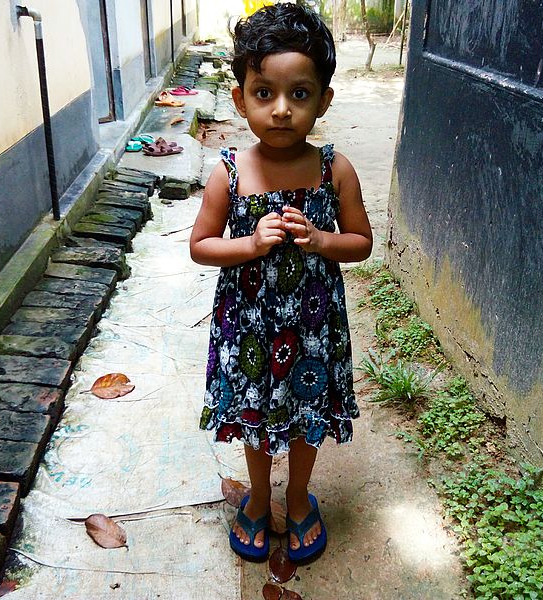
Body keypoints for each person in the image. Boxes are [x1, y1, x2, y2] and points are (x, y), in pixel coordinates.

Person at [190, 2, 373, 564]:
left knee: (304, 414)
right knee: (255, 411)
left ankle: (297, 498)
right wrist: (249, 245)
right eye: (264, 92)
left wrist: (320, 239)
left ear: (324, 99)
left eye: (300, 94)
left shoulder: (333, 169)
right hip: (249, 329)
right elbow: (201, 245)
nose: (281, 111)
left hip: (313, 330)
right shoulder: (229, 170)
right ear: (241, 94)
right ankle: (257, 498)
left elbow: (361, 241)